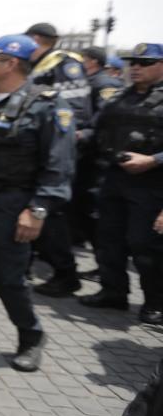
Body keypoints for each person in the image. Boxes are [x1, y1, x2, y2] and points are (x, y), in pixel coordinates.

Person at [0, 34, 75, 372]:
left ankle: (31, 335)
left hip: (14, 204)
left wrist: (37, 210)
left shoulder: (48, 104)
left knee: (7, 278)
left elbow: (59, 165)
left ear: (10, 64)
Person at [79, 43, 163, 325]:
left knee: (143, 245)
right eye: (133, 62)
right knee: (108, 239)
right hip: (114, 177)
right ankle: (113, 292)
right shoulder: (119, 97)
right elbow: (96, 128)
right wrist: (73, 134)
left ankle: (155, 303)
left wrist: (154, 160)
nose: (136, 67)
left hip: (152, 183)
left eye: (145, 62)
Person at [25, 23, 91, 295]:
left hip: (56, 147)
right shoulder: (41, 64)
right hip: (37, 149)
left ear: (37, 40)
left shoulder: (64, 63)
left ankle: (66, 274)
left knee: (52, 215)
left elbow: (75, 109)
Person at [71, 46, 124, 261]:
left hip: (96, 159)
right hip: (84, 156)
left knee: (93, 211)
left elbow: (106, 119)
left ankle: (106, 264)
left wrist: (83, 134)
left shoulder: (105, 83)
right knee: (80, 208)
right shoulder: (88, 83)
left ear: (92, 61)